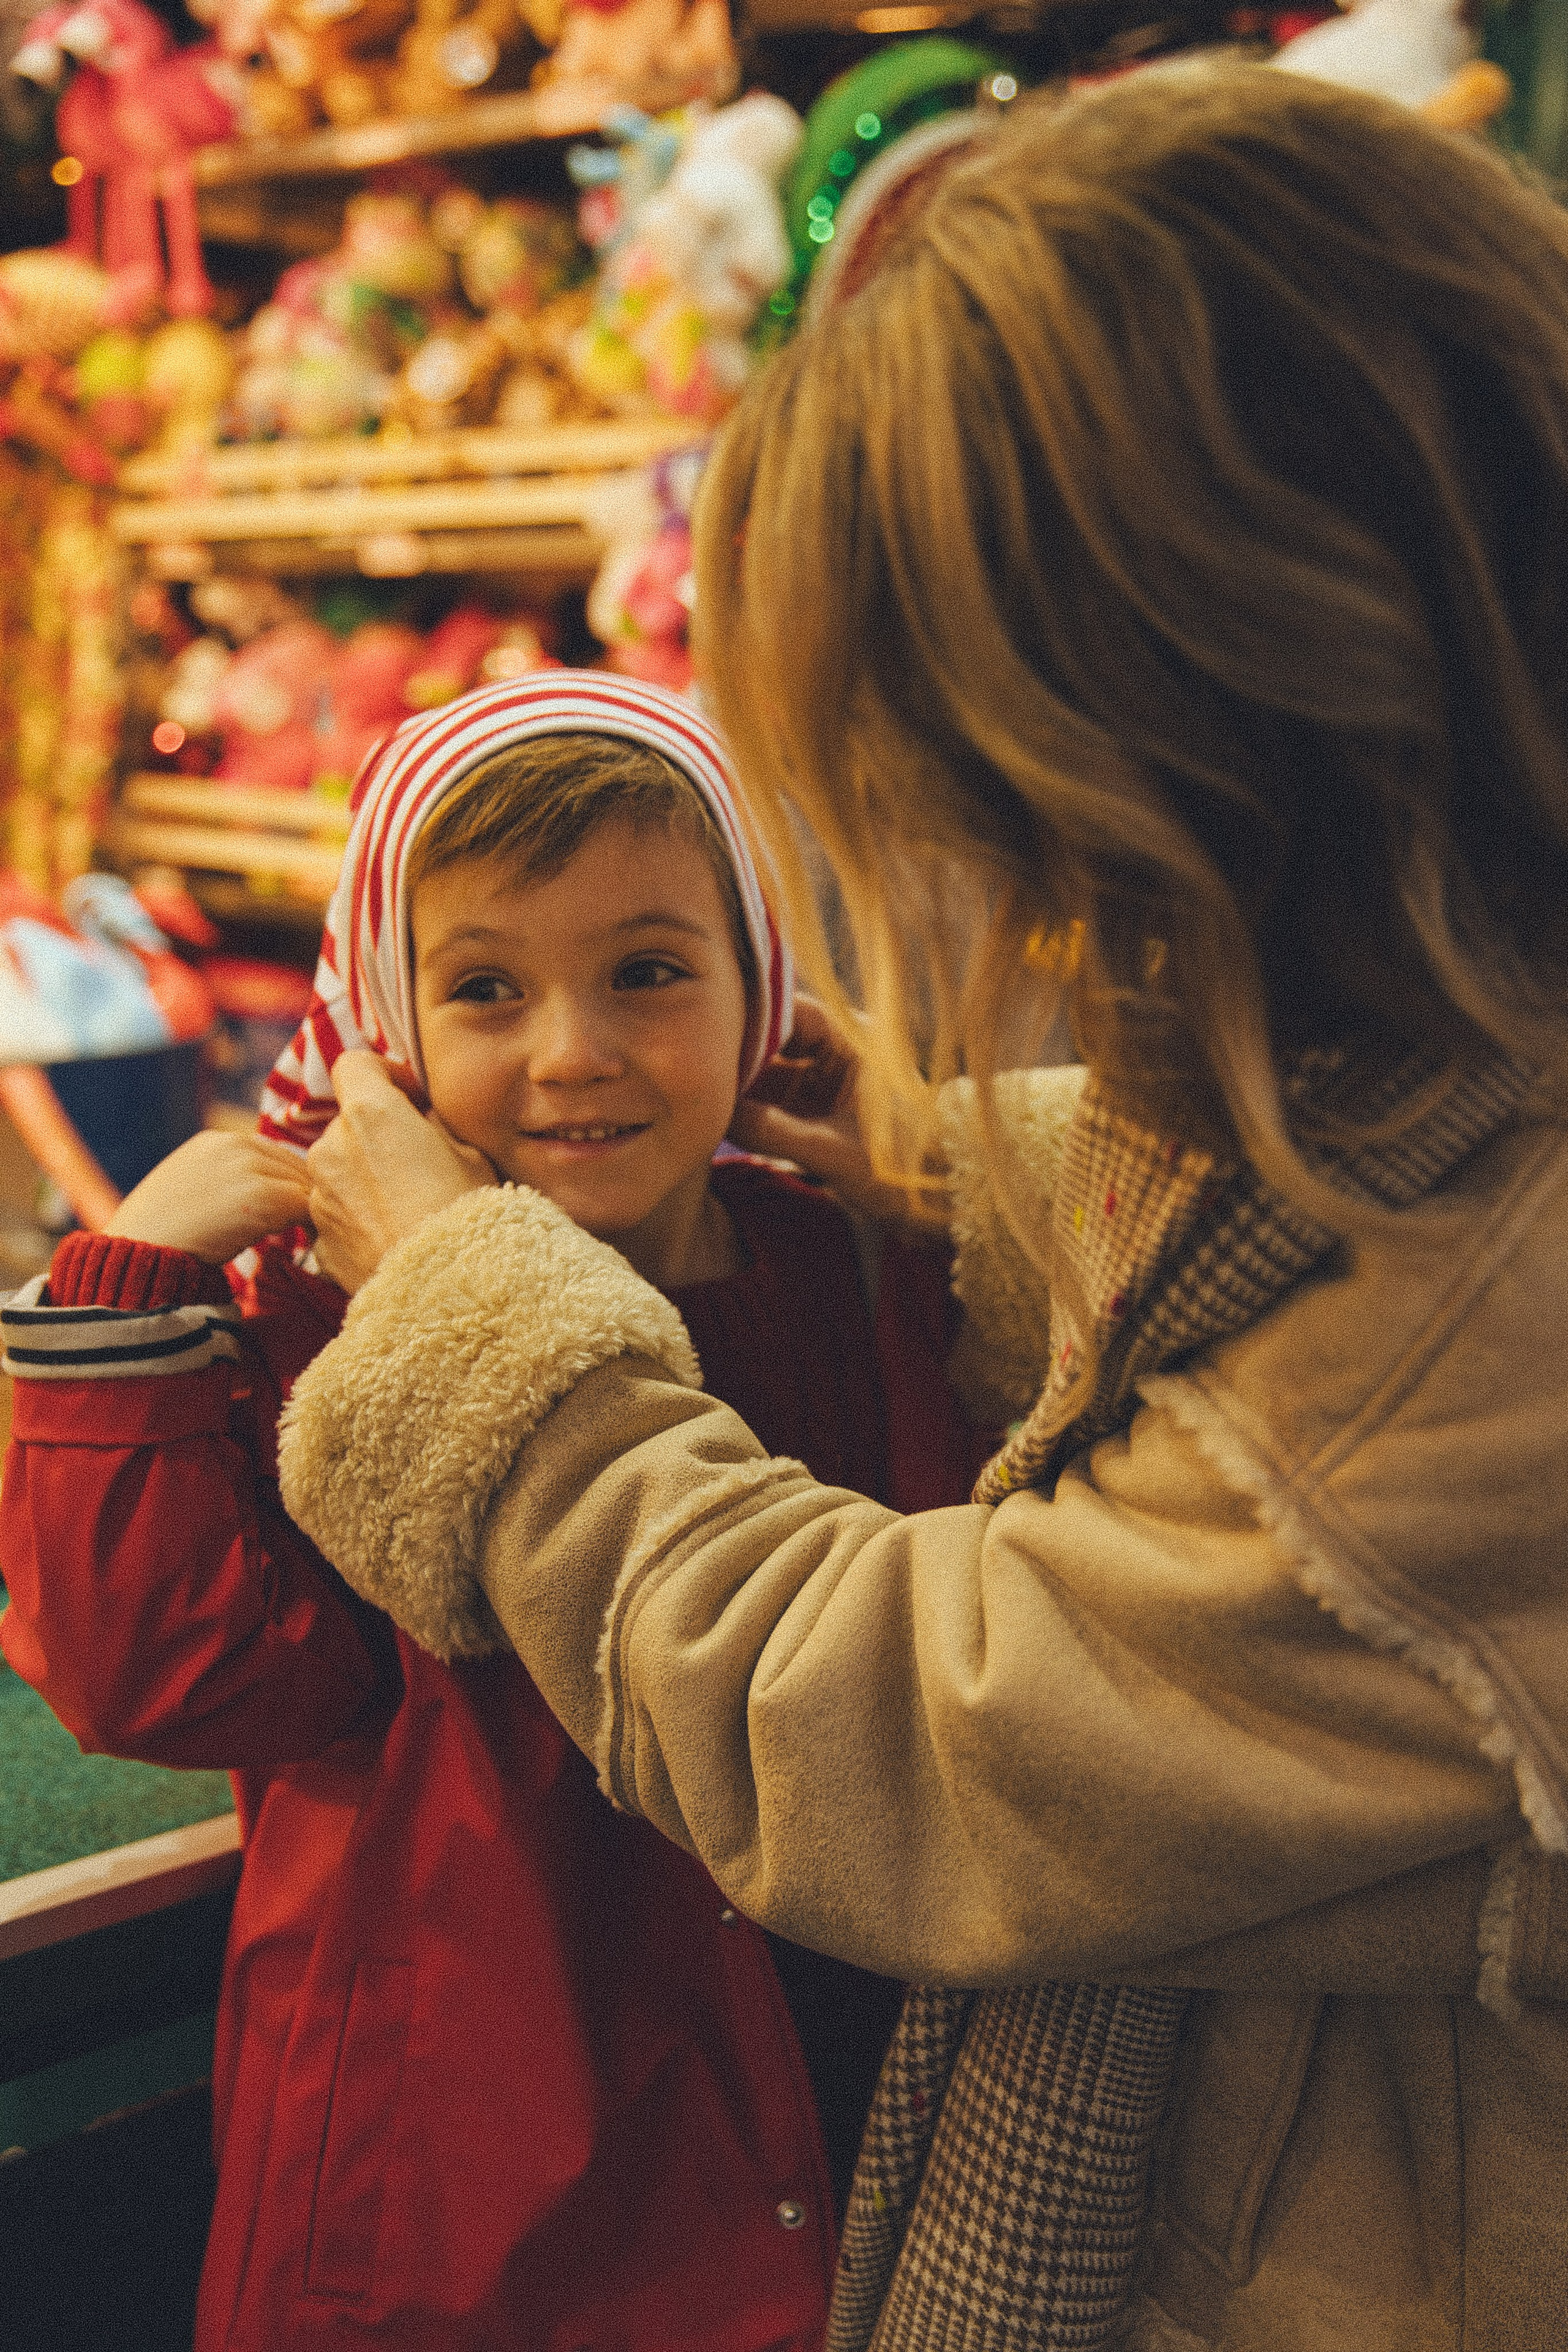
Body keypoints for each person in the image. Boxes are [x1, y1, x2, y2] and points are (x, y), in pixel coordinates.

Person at [269, 61, 1568, 2352]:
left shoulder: (1471, 1353)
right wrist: (965, 1158)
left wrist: (485, 1316)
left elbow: (912, 1749)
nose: (1003, 892)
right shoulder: (1455, 1004)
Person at [0, 670, 992, 2351]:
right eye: (484, 987)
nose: (573, 1052)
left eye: (649, 971)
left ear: (763, 990)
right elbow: (166, 1676)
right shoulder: (332, 1322)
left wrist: (930, 1172)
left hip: (836, 2128)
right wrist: (115, 1309)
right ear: (387, 1028)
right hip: (455, 2205)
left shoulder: (851, 1260)